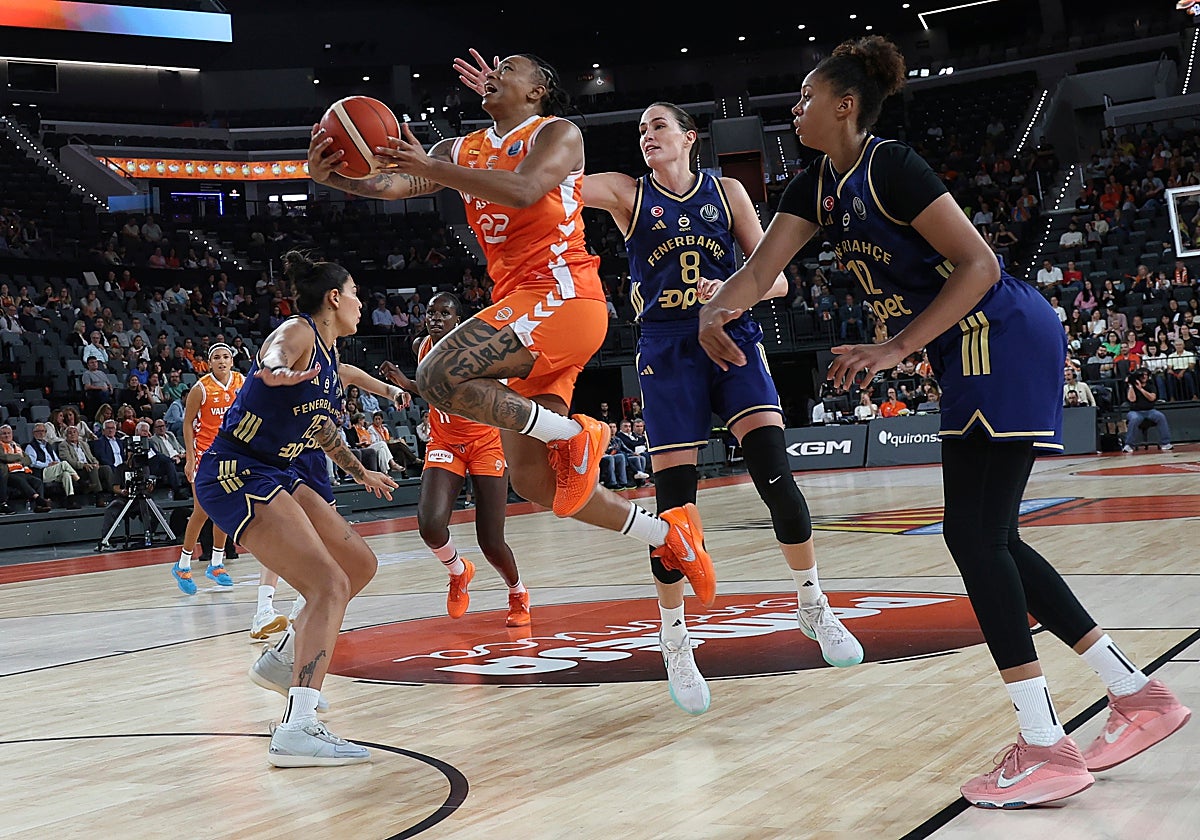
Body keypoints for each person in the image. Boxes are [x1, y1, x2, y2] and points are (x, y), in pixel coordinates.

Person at [696, 34, 1190, 809]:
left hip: (1001, 331)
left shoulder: (890, 166)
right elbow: (761, 272)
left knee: (972, 536)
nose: (792, 109)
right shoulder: (813, 186)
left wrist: (895, 346)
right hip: (967, 353)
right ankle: (1138, 697)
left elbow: (981, 264)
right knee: (992, 538)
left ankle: (1045, 745)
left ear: (845, 105)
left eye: (804, 98)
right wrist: (715, 309)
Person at [444, 79, 862, 710]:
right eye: (642, 128)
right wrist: (506, 125)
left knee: (775, 472)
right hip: (665, 347)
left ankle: (812, 602)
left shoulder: (728, 192)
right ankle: (675, 639)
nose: (648, 135)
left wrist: (725, 294)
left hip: (732, 333)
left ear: (689, 136)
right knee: (675, 501)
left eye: (659, 125)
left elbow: (774, 281)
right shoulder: (624, 192)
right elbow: (540, 180)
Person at [307, 53, 713, 622]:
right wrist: (338, 176)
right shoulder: (460, 148)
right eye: (492, 66)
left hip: (565, 297)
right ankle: (666, 533)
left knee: (437, 375)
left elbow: (524, 190)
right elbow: (394, 182)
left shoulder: (558, 133)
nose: (494, 71)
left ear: (539, 88)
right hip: (524, 311)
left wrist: (433, 166)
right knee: (537, 482)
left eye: (510, 66)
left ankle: (575, 433)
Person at [194, 251, 397, 767]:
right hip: (234, 471)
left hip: (278, 470)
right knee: (327, 583)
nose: (360, 303)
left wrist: (360, 471)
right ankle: (298, 728)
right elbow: (274, 353)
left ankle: (283, 661)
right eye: (355, 294)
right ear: (334, 298)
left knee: (360, 566)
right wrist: (276, 371)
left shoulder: (330, 363)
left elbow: (322, 431)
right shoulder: (301, 332)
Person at [380, 292, 531, 627]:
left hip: (485, 443)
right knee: (430, 526)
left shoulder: (475, 354)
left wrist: (410, 383)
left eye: (444, 313)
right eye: (431, 312)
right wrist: (405, 386)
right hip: (444, 442)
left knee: (491, 541)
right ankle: (459, 572)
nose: (435, 317)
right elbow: (430, 386)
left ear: (458, 322)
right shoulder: (422, 346)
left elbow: (461, 390)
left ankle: (518, 592)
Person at [174, 344, 243, 596]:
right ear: (209, 363)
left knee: (225, 510)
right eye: (217, 357)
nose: (222, 361)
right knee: (201, 511)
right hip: (204, 456)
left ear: (232, 361)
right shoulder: (200, 388)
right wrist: (190, 458)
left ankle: (216, 563)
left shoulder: (241, 382)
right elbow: (187, 424)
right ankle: (183, 565)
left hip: (230, 456)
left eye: (226, 356)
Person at [1123, 368, 1173, 452]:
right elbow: (1132, 399)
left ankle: (1166, 443)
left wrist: (1141, 389)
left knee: (1160, 416)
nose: (1144, 377)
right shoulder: (1132, 386)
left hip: (1150, 410)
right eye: (1142, 375)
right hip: (1135, 411)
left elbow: (1152, 398)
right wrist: (1131, 385)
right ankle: (1129, 445)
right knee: (1134, 419)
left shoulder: (1151, 385)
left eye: (1146, 375)